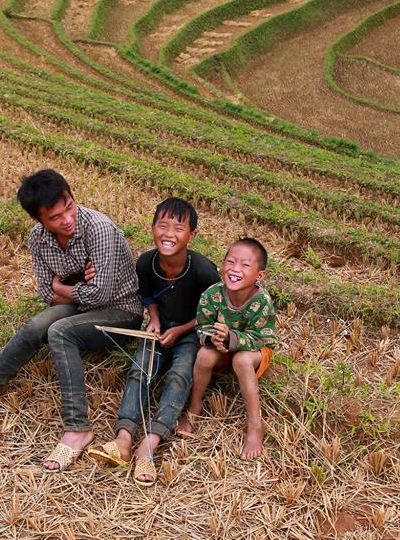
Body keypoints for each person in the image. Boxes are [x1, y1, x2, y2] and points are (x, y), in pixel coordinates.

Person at [0, 169, 142, 472]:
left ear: (71, 195)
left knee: (60, 332)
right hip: (82, 307)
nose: (66, 219)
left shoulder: (100, 229)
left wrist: (62, 287)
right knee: (36, 326)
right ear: (39, 220)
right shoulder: (38, 239)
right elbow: (46, 292)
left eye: (69, 207)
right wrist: (72, 289)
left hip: (120, 312)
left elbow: (102, 295)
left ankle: (78, 428)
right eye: (54, 217)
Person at [87, 198, 219, 486]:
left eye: (178, 228)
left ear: (191, 236)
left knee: (180, 375)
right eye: (163, 225)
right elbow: (147, 297)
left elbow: (213, 311)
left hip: (192, 332)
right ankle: (123, 438)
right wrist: (156, 320)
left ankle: (150, 442)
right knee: (139, 369)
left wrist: (182, 329)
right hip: (159, 329)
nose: (169, 233)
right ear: (152, 228)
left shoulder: (204, 271)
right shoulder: (146, 262)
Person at [176, 238, 278, 460]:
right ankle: (194, 408)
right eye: (230, 262)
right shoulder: (212, 295)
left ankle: (254, 425)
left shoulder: (261, 301)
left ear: (260, 276)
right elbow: (202, 326)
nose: (235, 269)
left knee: (241, 360)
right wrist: (214, 340)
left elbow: (262, 338)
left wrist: (232, 338)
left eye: (245, 265)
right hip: (224, 348)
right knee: (204, 355)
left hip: (254, 351)